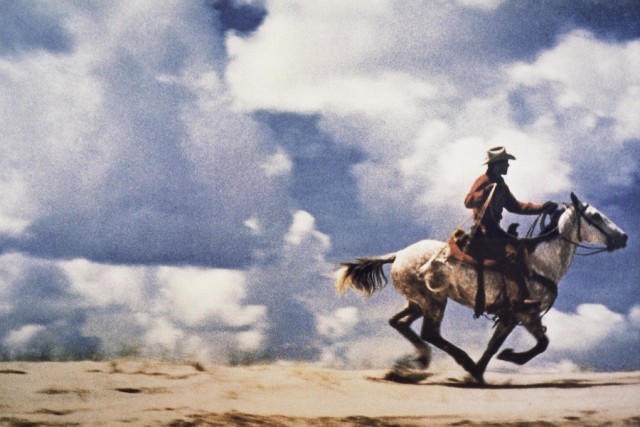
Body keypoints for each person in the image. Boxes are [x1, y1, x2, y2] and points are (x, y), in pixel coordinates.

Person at [464, 146, 557, 310]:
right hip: (484, 231)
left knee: (521, 249)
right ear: (496, 165)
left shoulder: (500, 184)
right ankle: (517, 300)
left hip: (495, 230)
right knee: (511, 254)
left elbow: (516, 206)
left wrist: (542, 208)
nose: (507, 165)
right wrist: (484, 193)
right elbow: (468, 201)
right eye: (505, 162)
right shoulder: (484, 180)